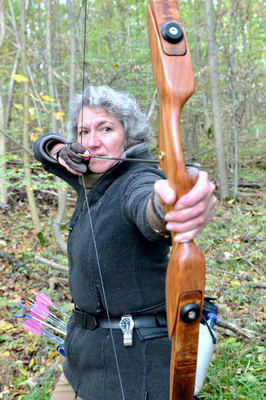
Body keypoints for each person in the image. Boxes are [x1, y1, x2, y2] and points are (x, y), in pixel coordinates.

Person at [34, 85, 216, 400]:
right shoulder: (91, 176)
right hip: (82, 362)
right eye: (84, 131)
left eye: (106, 128)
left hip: (133, 371)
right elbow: (42, 151)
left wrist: (170, 208)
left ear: (128, 136)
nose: (92, 141)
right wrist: (57, 148)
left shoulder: (136, 178)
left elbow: (149, 206)